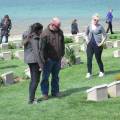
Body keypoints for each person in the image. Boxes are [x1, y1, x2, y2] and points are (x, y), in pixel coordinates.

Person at [40, 17, 65, 100]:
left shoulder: (60, 32)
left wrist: (62, 55)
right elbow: (41, 48)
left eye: (59, 26)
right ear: (52, 24)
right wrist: (44, 59)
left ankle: (55, 92)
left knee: (55, 77)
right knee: (45, 78)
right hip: (48, 60)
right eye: (57, 26)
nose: (59, 28)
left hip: (57, 59)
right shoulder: (45, 33)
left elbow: (62, 44)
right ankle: (45, 93)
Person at [22, 23, 44, 104]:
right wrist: (41, 65)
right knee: (35, 80)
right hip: (34, 61)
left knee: (33, 80)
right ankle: (31, 100)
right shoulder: (35, 38)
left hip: (29, 60)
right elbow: (37, 53)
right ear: (37, 30)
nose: (42, 31)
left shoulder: (27, 34)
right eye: (41, 29)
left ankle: (31, 97)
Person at [85, 14, 107, 79]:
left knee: (98, 59)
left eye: (97, 20)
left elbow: (105, 36)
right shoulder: (89, 26)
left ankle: (102, 72)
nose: (96, 21)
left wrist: (101, 43)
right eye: (95, 20)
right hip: (90, 45)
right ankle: (89, 73)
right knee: (89, 59)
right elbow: (85, 34)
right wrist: (87, 41)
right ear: (92, 19)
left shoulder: (100, 27)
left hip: (98, 46)